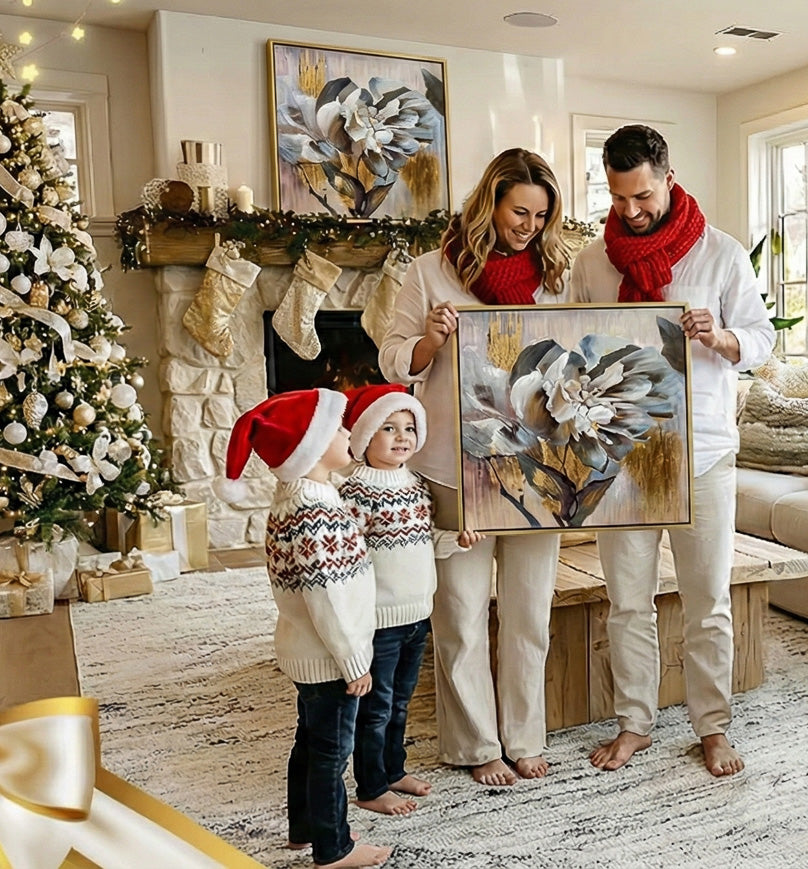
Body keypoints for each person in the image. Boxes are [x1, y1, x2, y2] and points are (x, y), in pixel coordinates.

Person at [571, 125, 775, 778]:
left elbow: (763, 340)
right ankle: (635, 722)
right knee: (627, 599)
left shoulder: (721, 254)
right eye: (618, 197)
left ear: (669, 176)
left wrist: (722, 337)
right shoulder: (592, 262)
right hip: (619, 455)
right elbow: (570, 350)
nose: (630, 210)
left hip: (704, 453)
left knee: (706, 598)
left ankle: (711, 727)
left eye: (643, 195)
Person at [377, 147, 574, 787]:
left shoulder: (553, 277)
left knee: (529, 609)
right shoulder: (430, 272)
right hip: (452, 464)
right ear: (490, 201)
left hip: (533, 462)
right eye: (521, 211)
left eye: (541, 216)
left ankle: (525, 735)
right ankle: (475, 745)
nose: (529, 226)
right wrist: (430, 341)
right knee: (459, 610)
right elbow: (392, 361)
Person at [219, 388, 392, 869]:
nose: (345, 432)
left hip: (307, 650)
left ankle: (305, 827)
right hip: (329, 656)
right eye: (336, 427)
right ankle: (334, 848)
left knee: (311, 740)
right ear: (311, 447)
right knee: (331, 754)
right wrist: (354, 660)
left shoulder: (299, 500)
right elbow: (329, 597)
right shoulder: (315, 513)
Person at [335, 383, 482, 816]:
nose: (402, 436)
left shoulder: (416, 485)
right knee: (375, 708)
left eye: (409, 427)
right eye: (388, 428)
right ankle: (371, 785)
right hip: (378, 620)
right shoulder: (353, 493)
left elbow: (425, 543)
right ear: (363, 436)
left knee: (400, 700)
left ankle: (393, 769)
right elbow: (348, 561)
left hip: (418, 613)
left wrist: (457, 540)